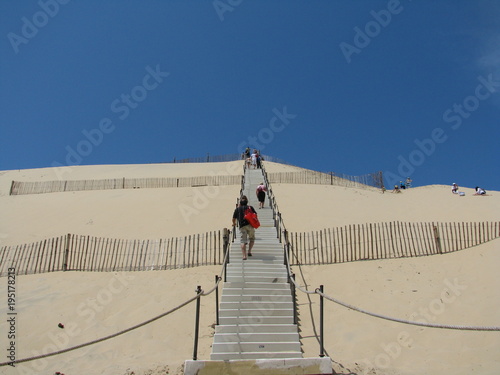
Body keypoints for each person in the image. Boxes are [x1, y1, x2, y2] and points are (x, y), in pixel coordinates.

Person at [232, 195, 256, 260]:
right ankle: (249, 251)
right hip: (250, 225)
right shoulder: (250, 207)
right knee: (252, 239)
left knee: (243, 241)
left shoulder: (237, 209)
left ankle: (244, 256)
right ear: (247, 202)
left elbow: (234, 218)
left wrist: (234, 223)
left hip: (242, 226)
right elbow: (255, 215)